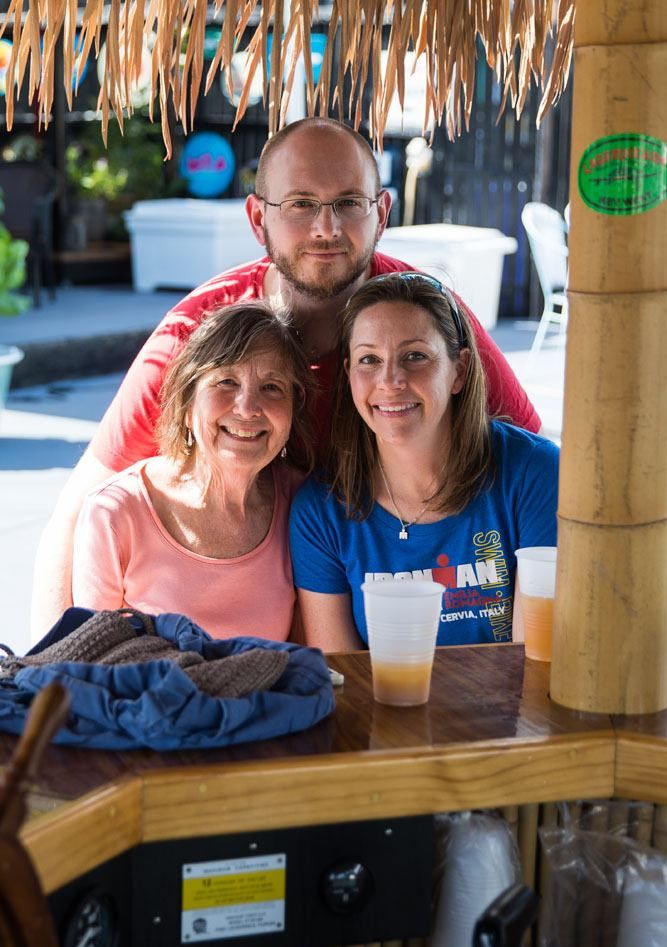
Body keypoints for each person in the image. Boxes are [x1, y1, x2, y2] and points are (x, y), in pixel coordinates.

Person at [31, 117, 540, 639]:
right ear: (258, 219)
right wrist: (46, 682)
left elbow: (533, 462)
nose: (327, 228)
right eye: (300, 204)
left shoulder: (421, 321)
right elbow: (76, 516)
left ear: (381, 213)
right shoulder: (203, 334)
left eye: (348, 202)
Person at [289, 273, 559, 651]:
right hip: (381, 710)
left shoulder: (535, 474)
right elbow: (344, 679)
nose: (390, 380)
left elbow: (535, 661)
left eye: (415, 356)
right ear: (349, 375)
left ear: (459, 371)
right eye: (369, 359)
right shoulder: (321, 512)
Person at [71, 302, 313, 640]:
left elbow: (308, 660)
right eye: (226, 381)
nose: (247, 408)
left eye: (272, 387)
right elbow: (92, 666)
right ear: (187, 405)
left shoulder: (305, 507)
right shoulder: (115, 512)